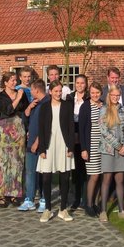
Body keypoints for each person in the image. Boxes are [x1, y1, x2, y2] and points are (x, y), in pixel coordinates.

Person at [0, 70, 29, 207]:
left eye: (16, 80)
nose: (15, 82)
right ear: (5, 82)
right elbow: (8, 110)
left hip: (18, 130)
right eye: (12, 80)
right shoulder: (0, 96)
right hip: (4, 131)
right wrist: (18, 97)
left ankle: (14, 193)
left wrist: (28, 129)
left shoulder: (21, 94)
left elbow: (25, 111)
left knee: (16, 161)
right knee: (2, 162)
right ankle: (2, 194)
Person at [37, 80, 75, 223]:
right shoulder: (44, 107)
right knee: (46, 177)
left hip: (63, 144)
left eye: (60, 91)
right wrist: (42, 148)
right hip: (48, 144)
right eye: (56, 91)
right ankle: (47, 208)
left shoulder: (67, 106)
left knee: (64, 177)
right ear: (50, 92)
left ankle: (63, 209)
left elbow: (71, 127)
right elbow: (41, 128)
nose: (58, 94)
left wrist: (70, 147)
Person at [99, 84, 124, 222]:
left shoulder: (123, 109)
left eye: (118, 95)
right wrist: (118, 145)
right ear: (109, 95)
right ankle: (103, 211)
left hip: (122, 151)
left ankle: (121, 210)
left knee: (120, 180)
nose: (116, 97)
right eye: (113, 95)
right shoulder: (104, 109)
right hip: (108, 150)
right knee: (107, 180)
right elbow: (103, 131)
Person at [18, 78, 50, 212]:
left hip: (42, 144)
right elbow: (27, 121)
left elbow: (47, 126)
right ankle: (29, 199)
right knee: (30, 172)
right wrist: (28, 109)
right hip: (30, 143)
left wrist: (37, 141)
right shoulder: (35, 103)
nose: (30, 92)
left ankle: (44, 199)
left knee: (43, 173)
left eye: (31, 89)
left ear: (36, 90)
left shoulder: (47, 103)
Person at [79, 81, 104, 218]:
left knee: (100, 175)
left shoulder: (104, 105)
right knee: (93, 175)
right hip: (91, 145)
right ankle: (88, 204)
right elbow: (82, 129)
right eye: (93, 92)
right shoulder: (85, 106)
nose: (95, 95)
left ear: (101, 93)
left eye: (97, 92)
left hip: (103, 145)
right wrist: (84, 149)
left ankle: (95, 203)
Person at [68, 73, 88, 211]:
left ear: (86, 85)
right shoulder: (70, 98)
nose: (80, 85)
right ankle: (76, 199)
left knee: (84, 169)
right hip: (72, 135)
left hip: (85, 135)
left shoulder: (88, 98)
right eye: (78, 83)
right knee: (75, 170)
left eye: (82, 83)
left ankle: (85, 200)